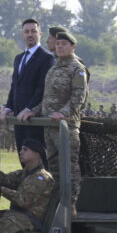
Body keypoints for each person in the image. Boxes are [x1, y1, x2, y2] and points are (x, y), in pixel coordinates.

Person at [30, 31, 87, 211]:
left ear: (73, 47)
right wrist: (32, 111)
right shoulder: (53, 68)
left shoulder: (77, 69)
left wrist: (62, 113)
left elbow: (79, 97)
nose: (60, 47)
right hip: (49, 127)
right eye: (58, 44)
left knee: (69, 167)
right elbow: (47, 99)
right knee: (53, 167)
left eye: (64, 44)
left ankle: (71, 205)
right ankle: (56, 204)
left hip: (66, 127)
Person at [0, 138, 54, 233]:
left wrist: (1, 190)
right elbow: (4, 179)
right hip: (15, 214)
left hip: (27, 219)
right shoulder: (24, 173)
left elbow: (23, 200)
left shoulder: (41, 177)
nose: (20, 152)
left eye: (25, 149)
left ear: (36, 154)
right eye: (21, 149)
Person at [1, 18, 55, 152]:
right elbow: (15, 86)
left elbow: (42, 88)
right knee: (23, 157)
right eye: (26, 32)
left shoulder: (47, 58)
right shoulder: (18, 58)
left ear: (40, 34)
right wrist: (8, 107)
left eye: (33, 31)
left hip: (35, 119)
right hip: (18, 119)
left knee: (37, 157)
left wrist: (29, 108)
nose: (30, 34)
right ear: (22, 35)